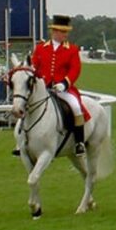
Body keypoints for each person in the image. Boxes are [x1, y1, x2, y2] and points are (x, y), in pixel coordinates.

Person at [31, 15, 88, 156]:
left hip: (62, 89)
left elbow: (75, 69)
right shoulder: (40, 48)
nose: (65, 35)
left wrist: (64, 83)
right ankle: (21, 141)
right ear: (54, 32)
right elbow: (34, 67)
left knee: (76, 107)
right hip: (43, 89)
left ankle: (79, 142)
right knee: (26, 106)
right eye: (63, 32)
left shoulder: (72, 50)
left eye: (66, 32)